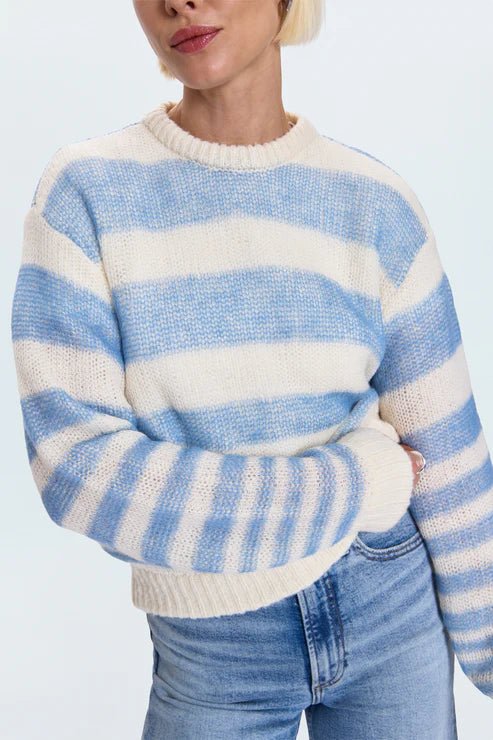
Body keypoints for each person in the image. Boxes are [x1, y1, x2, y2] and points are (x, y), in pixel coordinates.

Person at [10, 0, 493, 737]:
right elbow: (78, 472)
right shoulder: (86, 194)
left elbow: (451, 459)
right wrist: (357, 482)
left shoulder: (374, 202)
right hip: (213, 642)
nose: (180, 1)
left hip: (389, 604)